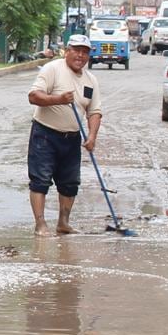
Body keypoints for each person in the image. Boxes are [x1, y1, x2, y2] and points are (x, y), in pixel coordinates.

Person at [26, 35, 109, 236]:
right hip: (45, 134)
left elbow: (94, 111)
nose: (80, 55)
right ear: (67, 51)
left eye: (85, 51)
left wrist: (92, 136)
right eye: (76, 50)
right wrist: (58, 99)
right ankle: (40, 224)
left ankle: (63, 223)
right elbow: (33, 96)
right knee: (40, 180)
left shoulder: (91, 80)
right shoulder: (52, 69)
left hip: (71, 138)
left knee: (70, 183)